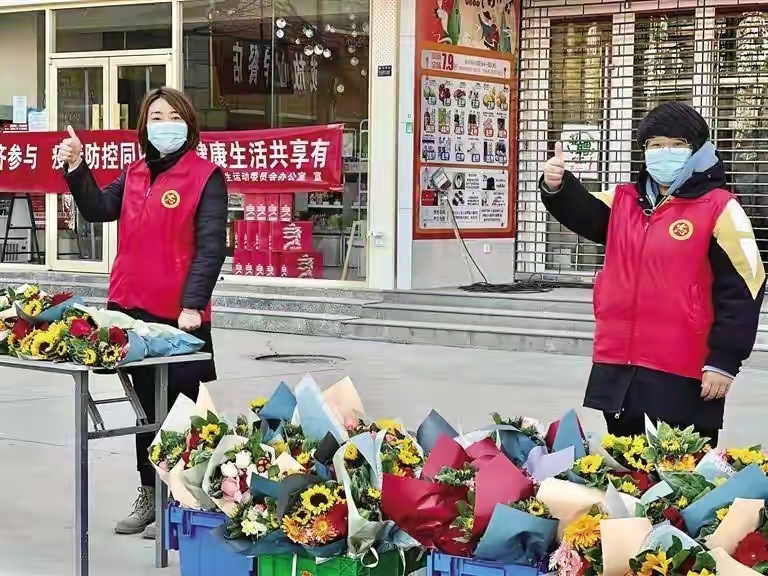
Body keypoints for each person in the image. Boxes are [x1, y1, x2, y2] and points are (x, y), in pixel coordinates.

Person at [540, 102, 766, 445]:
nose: (665, 152)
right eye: (655, 145)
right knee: (625, 464)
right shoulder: (624, 201)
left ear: (698, 150)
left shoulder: (720, 207)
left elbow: (745, 287)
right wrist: (557, 185)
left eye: (677, 144)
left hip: (682, 369)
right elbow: (584, 211)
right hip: (619, 365)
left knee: (681, 468)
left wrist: (724, 360)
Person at [58, 87, 228, 538]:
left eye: (173, 116)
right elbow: (98, 208)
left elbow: (211, 247)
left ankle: (181, 498)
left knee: (180, 410)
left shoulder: (206, 177)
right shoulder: (134, 173)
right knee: (145, 410)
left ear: (188, 124)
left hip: (179, 316)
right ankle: (150, 494)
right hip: (131, 311)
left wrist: (192, 305)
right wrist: (77, 166)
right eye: (156, 116)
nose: (165, 124)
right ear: (144, 127)